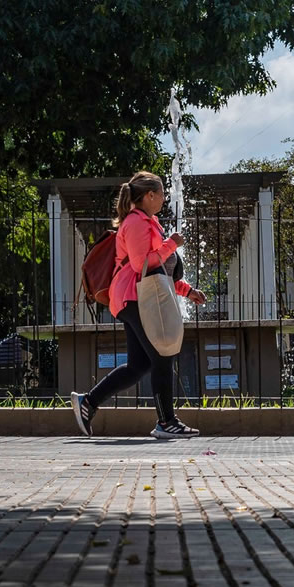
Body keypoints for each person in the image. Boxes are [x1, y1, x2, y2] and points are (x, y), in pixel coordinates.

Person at [71, 171, 207, 439]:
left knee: (139, 365)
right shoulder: (135, 222)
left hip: (140, 295)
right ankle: (166, 422)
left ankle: (88, 402)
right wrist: (172, 244)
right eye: (162, 193)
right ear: (149, 195)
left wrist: (187, 290)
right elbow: (141, 264)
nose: (165, 198)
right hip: (132, 298)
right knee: (162, 354)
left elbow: (158, 275)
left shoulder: (150, 222)